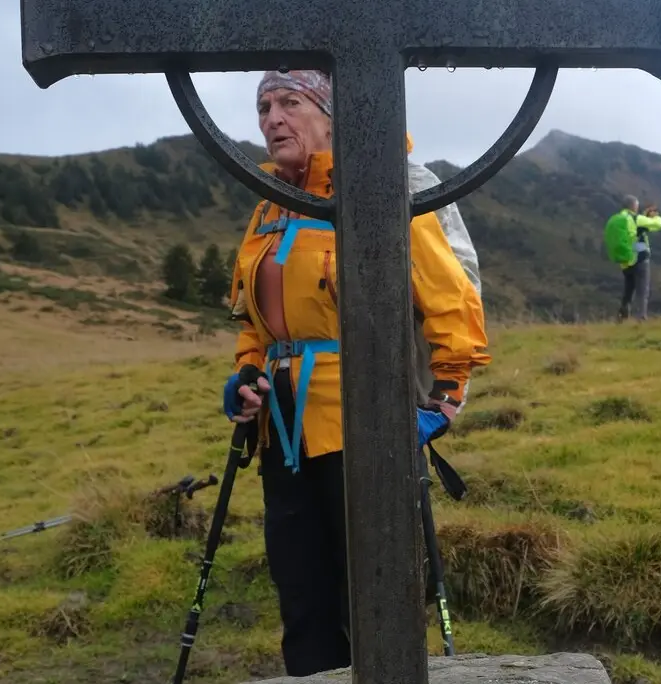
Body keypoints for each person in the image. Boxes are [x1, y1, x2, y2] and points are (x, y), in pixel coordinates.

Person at [219, 69, 491, 677]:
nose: (272, 119)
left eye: (290, 102)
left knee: (371, 594)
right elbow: (254, 320)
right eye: (263, 107)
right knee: (302, 598)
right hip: (282, 431)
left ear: (332, 116)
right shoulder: (270, 206)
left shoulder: (376, 187)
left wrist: (444, 396)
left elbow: (449, 297)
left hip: (363, 424)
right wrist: (245, 375)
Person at [604, 194, 661, 322]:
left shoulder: (618, 219)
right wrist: (655, 216)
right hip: (639, 258)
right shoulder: (636, 218)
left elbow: (634, 233)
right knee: (642, 291)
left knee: (628, 291)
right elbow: (659, 225)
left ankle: (622, 317)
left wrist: (644, 216)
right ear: (634, 206)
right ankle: (641, 317)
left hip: (626, 260)